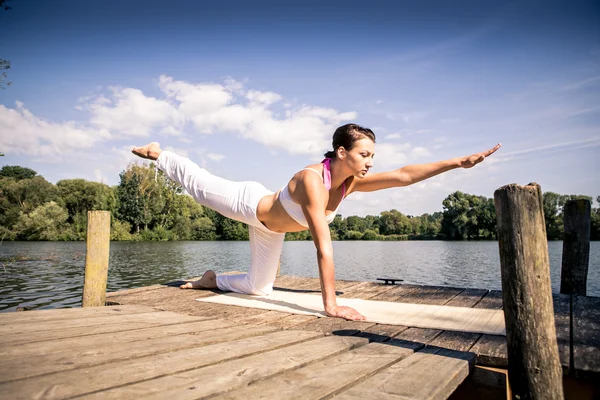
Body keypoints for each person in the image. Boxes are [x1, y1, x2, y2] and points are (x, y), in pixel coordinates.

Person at [132, 123, 501, 321]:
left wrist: (457, 162)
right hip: (249, 205)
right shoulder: (313, 180)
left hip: (271, 232)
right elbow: (323, 247)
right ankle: (159, 153)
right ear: (342, 152)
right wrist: (331, 305)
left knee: (260, 289)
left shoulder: (350, 182)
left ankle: (213, 280)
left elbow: (403, 175)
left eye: (373, 155)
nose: (370, 161)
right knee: (198, 185)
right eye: (364, 154)